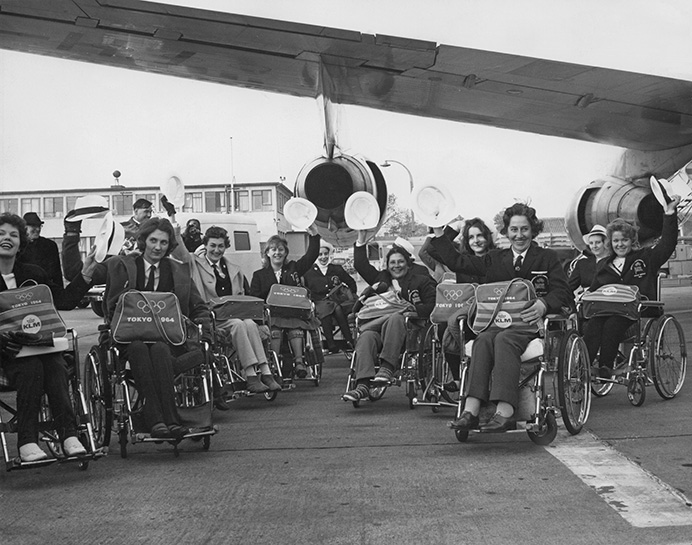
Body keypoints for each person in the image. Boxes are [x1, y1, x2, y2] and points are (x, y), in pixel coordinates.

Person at [431, 203, 572, 433]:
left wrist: (543, 304)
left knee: (503, 340)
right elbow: (458, 262)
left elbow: (563, 291)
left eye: (524, 229)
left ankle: (505, 412)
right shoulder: (494, 259)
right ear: (506, 231)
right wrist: (438, 232)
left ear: (533, 230)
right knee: (484, 339)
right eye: (514, 230)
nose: (519, 235)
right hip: (498, 325)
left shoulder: (547, 258)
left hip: (531, 325)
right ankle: (471, 410)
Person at [0, 213, 97, 462]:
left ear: (21, 242)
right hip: (6, 353)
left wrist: (85, 276)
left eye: (13, 234)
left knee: (56, 365)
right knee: (32, 367)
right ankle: (27, 442)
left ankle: (69, 434)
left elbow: (63, 301)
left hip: (41, 347)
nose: (7, 238)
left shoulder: (34, 274)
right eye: (1, 233)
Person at [104, 217, 211, 439]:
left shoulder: (178, 271)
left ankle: (167, 420)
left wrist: (204, 326)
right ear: (143, 241)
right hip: (129, 338)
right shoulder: (124, 266)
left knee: (160, 349)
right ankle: (158, 418)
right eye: (153, 241)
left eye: (163, 242)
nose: (158, 247)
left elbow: (198, 305)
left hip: (167, 339)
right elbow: (112, 306)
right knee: (138, 349)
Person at [173, 225, 282, 398]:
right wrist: (177, 233)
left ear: (226, 247)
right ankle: (251, 375)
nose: (217, 250)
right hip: (211, 317)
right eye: (213, 246)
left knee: (249, 324)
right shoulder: (195, 264)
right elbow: (180, 254)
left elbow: (243, 298)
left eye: (221, 246)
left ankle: (265, 371)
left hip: (234, 314)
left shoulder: (233, 269)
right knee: (238, 324)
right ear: (206, 246)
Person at [582, 196, 679, 379]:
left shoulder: (646, 257)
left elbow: (667, 243)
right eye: (616, 241)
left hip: (637, 312)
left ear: (632, 240)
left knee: (612, 324)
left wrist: (669, 213)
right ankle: (584, 368)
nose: (620, 244)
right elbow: (594, 290)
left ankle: (605, 367)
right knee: (593, 325)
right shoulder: (604, 264)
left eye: (624, 240)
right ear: (610, 242)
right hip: (607, 310)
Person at [342, 230, 437, 402]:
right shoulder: (381, 280)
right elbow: (361, 265)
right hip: (378, 328)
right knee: (367, 336)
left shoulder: (420, 279)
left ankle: (387, 367)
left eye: (401, 262)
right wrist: (361, 241)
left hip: (408, 332)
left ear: (408, 264)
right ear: (387, 265)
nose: (396, 266)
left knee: (396, 317)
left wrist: (415, 311)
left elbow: (433, 305)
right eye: (392, 262)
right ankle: (362, 384)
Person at [250, 229, 325, 380]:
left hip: (294, 314)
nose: (277, 252)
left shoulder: (294, 269)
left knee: (295, 329)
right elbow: (255, 298)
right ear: (268, 253)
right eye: (273, 249)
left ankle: (299, 363)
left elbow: (311, 255)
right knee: (275, 331)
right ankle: (274, 365)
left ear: (285, 252)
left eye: (281, 249)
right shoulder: (259, 275)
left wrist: (314, 235)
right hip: (272, 316)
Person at [434, 218, 497, 390]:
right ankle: (458, 376)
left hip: (491, 313)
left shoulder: (498, 258)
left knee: (458, 324)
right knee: (443, 327)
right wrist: (451, 228)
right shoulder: (463, 260)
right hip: (467, 314)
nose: (476, 241)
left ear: (489, 237)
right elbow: (432, 251)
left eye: (480, 236)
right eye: (471, 237)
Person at [302, 241, 357, 354]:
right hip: (318, 303)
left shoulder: (336, 269)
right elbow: (304, 290)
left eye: (325, 254)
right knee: (330, 308)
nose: (323, 257)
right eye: (320, 254)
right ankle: (348, 341)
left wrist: (349, 295)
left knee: (335, 307)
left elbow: (351, 283)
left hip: (338, 302)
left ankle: (335, 344)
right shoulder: (308, 271)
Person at [18, 212, 63, 287]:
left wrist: (60, 294)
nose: (38, 229)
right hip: (24, 289)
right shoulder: (18, 246)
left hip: (46, 288)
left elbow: (57, 274)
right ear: (24, 228)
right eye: (33, 226)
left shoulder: (50, 245)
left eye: (39, 226)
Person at [568, 225, 609, 293]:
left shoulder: (614, 262)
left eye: (598, 242)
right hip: (587, 300)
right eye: (591, 243)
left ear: (605, 243)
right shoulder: (582, 264)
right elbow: (569, 286)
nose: (594, 246)